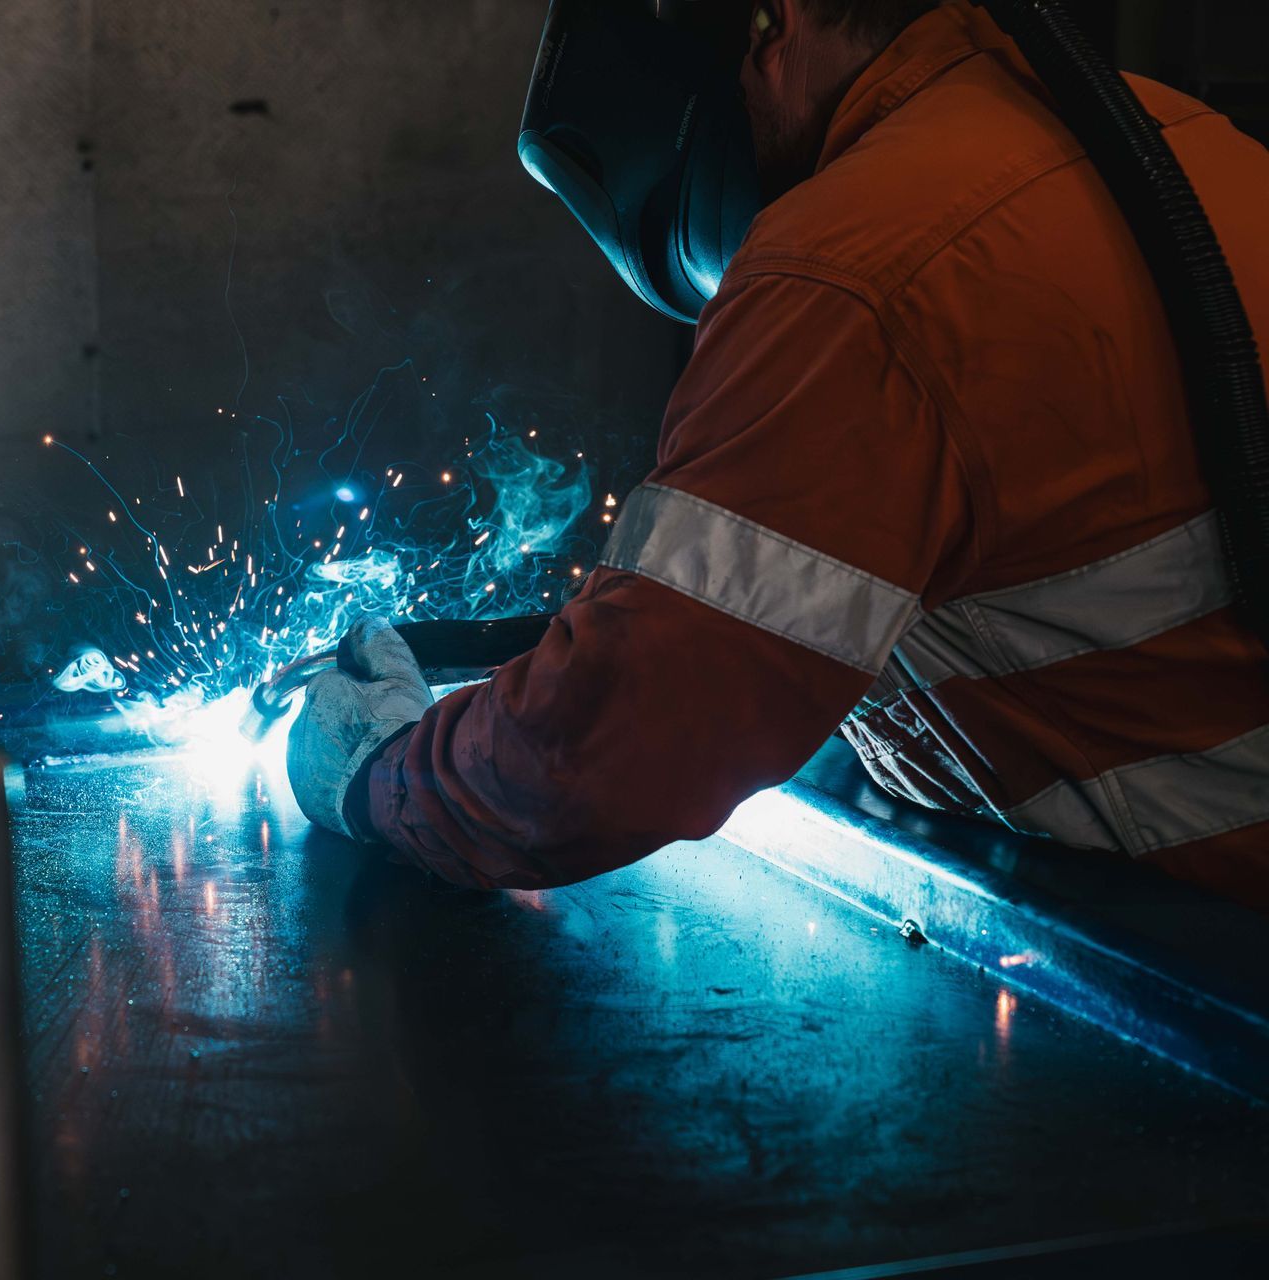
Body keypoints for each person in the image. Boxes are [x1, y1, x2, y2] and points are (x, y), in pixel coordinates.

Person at [286, 0, 1269, 910]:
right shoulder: (1177, 135)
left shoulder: (856, 264)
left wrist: (382, 772)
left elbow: (616, 744)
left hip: (1211, 963)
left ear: (768, 22)